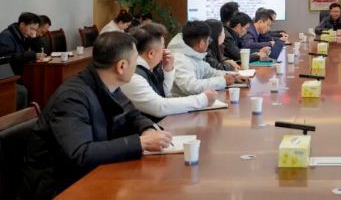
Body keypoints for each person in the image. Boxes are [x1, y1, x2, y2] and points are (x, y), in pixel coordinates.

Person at [20, 32, 172, 199]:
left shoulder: (107, 84)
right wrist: (141, 143)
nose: (137, 65)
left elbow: (132, 115)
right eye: (136, 60)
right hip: (60, 187)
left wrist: (147, 129)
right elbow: (80, 153)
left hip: (89, 175)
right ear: (121, 66)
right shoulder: (72, 97)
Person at [120, 23, 215, 121]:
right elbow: (159, 107)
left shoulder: (148, 68)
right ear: (151, 54)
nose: (165, 51)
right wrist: (202, 99)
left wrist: (168, 70)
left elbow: (163, 93)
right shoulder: (133, 76)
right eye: (163, 48)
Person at [170, 21, 249, 96]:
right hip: (182, 103)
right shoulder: (180, 60)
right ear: (201, 44)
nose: (209, 44)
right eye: (209, 41)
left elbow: (211, 72)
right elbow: (191, 87)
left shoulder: (193, 54)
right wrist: (223, 81)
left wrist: (234, 76)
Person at [0, 12, 45, 109]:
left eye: (35, 29)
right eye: (32, 28)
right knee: (22, 91)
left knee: (36, 84)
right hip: (7, 75)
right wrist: (32, 55)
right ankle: (19, 117)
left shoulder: (23, 36)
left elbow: (41, 49)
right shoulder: (6, 36)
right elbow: (8, 58)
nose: (33, 32)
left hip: (18, 73)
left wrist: (35, 38)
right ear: (22, 25)